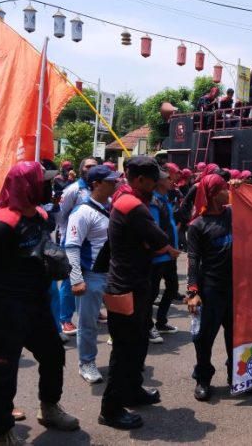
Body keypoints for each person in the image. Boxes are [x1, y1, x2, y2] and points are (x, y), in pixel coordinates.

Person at [0, 161, 79, 444]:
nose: (50, 185)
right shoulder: (2, 223)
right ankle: (1, 432)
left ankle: (49, 408)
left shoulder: (39, 215)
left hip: (37, 306)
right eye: (44, 181)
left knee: (53, 354)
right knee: (2, 372)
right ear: (27, 185)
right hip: (6, 310)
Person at [99, 156, 179, 430]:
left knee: (137, 343)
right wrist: (155, 244)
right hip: (125, 287)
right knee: (124, 350)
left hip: (136, 284)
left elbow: (155, 241)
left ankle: (132, 390)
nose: (158, 183)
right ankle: (110, 409)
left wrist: (153, 244)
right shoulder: (132, 205)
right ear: (139, 179)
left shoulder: (131, 200)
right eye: (153, 179)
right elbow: (160, 240)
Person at [65, 165, 121, 385]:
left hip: (113, 274)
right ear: (96, 184)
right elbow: (71, 247)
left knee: (119, 320)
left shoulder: (113, 208)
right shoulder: (82, 212)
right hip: (91, 276)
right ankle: (86, 362)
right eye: (110, 181)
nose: (115, 184)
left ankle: (119, 361)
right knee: (88, 325)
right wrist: (77, 279)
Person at [186, 174, 239, 401]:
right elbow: (192, 258)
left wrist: (244, 189)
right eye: (223, 189)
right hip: (211, 289)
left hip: (236, 288)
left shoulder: (233, 214)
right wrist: (193, 291)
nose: (227, 191)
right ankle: (203, 378)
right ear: (213, 194)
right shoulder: (198, 225)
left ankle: (236, 375)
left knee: (236, 336)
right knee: (204, 338)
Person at [57, 157, 98, 337]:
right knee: (69, 280)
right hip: (73, 242)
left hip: (94, 245)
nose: (91, 169)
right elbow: (61, 215)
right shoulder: (73, 190)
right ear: (81, 169)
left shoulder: (99, 188)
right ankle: (65, 319)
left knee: (91, 278)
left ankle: (90, 313)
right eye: (88, 166)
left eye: (94, 167)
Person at [148, 169, 180, 344]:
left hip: (169, 256)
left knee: (172, 287)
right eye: (168, 178)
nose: (171, 180)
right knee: (151, 293)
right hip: (159, 256)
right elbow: (155, 232)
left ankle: (161, 322)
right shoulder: (153, 201)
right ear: (159, 181)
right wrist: (168, 249)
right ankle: (148, 325)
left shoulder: (164, 199)